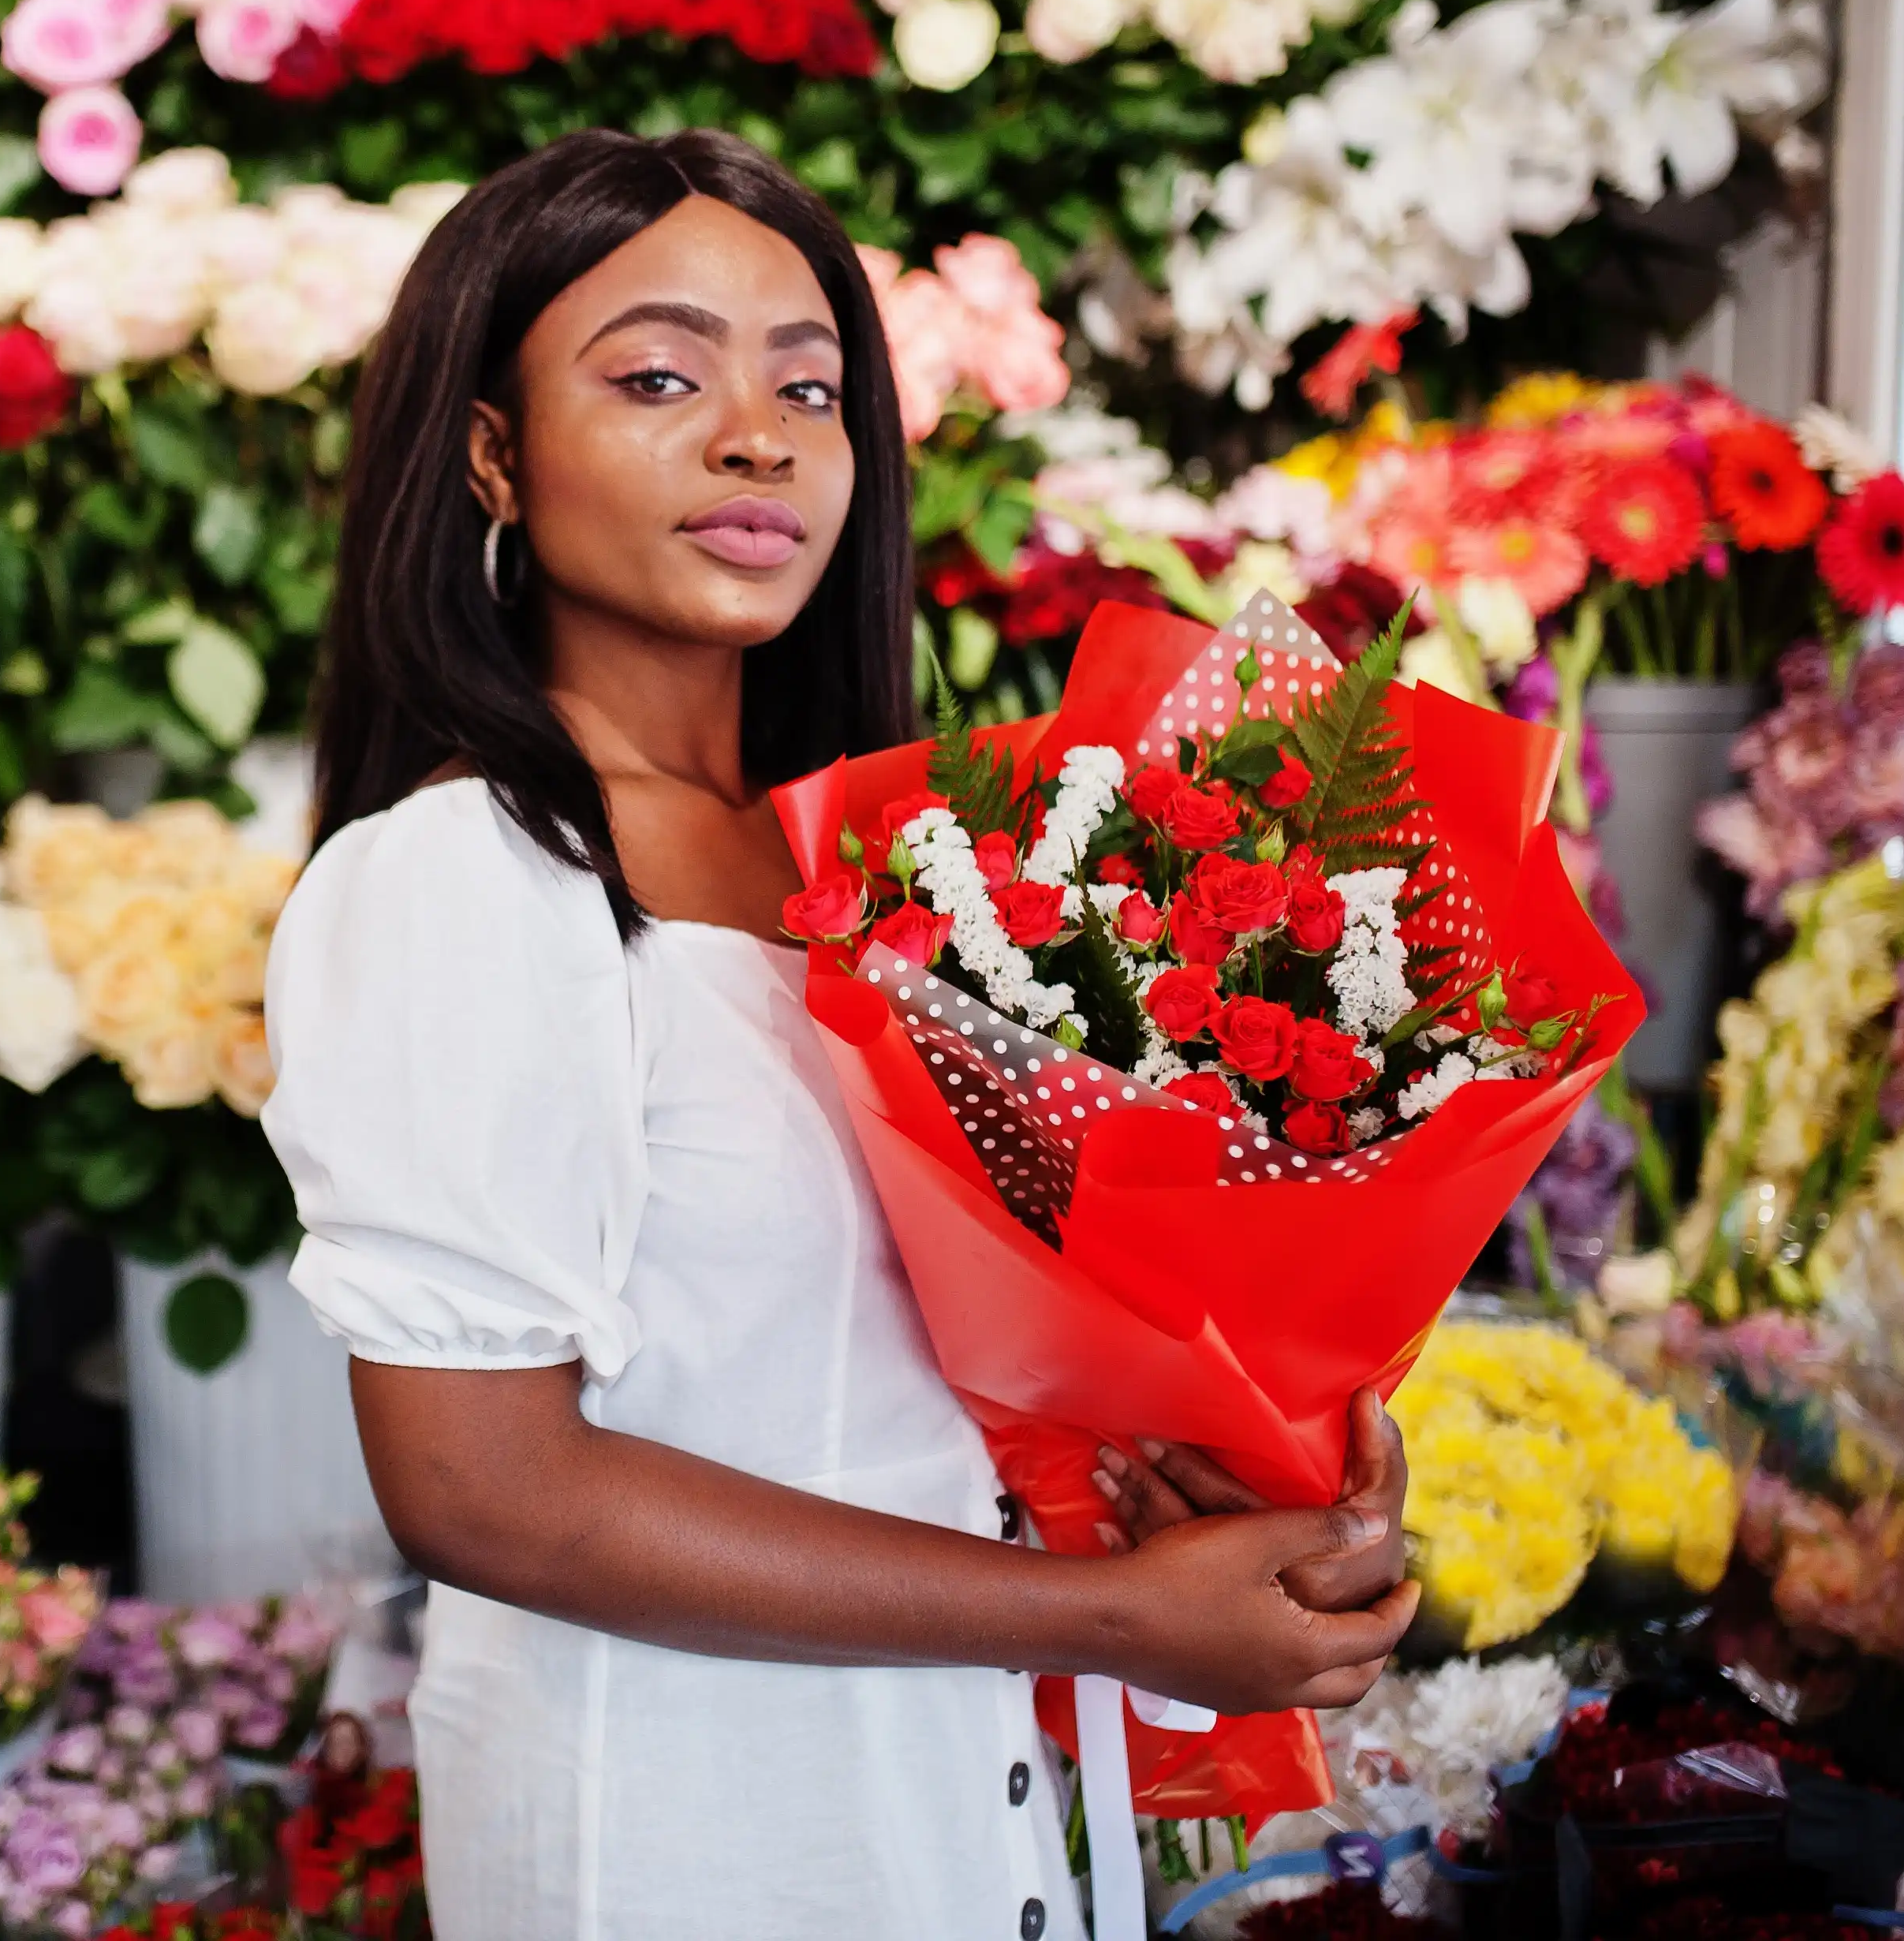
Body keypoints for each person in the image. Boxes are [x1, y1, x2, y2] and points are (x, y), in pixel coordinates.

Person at [260, 129, 1419, 1938]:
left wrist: (1204, 1488)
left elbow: (896, 1395)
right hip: (692, 1838)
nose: (758, 435)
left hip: (967, 1811)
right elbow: (487, 1489)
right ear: (490, 448)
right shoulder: (467, 876)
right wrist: (1105, 1618)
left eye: (811, 386)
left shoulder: (900, 882)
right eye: (658, 377)